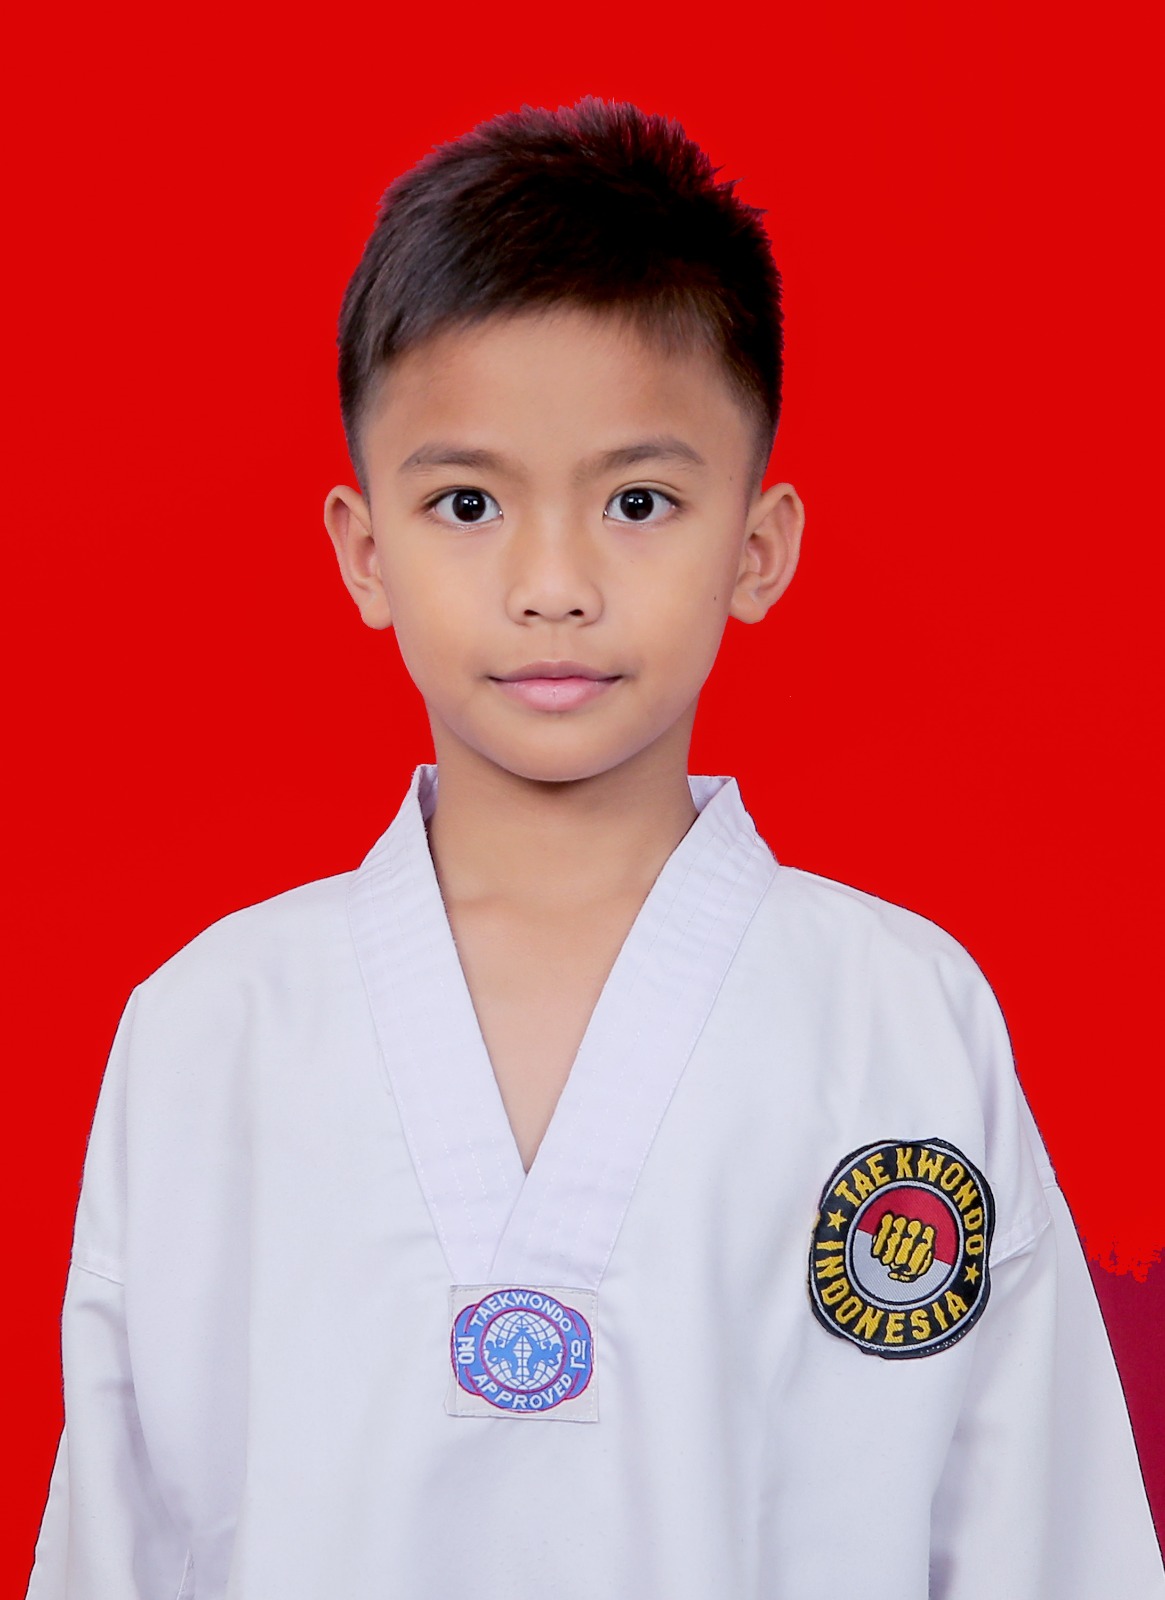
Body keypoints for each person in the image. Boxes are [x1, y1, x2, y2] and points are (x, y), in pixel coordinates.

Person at [26, 97, 1163, 1599]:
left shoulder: (901, 1015)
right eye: (467, 502)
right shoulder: (209, 1029)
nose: (552, 581)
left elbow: (1046, 1546)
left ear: (756, 547)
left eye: (638, 501)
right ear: (364, 553)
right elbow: (117, 1547)